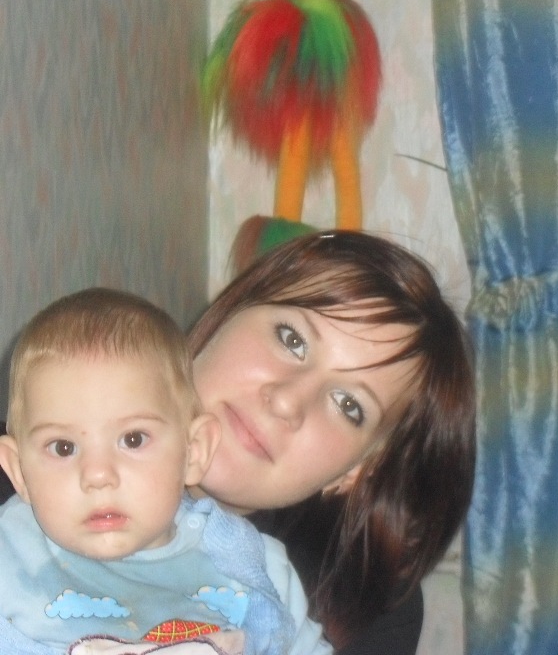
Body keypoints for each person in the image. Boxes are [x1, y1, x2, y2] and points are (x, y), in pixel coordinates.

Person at [185, 228, 477, 653]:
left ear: (356, 471)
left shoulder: (361, 616)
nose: (287, 401)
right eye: (292, 339)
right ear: (230, 312)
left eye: (348, 405)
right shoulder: (77, 432)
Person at [0, 287, 333, 655]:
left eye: (133, 439)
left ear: (194, 451)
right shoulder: (10, 557)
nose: (97, 475)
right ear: (18, 469)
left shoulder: (254, 571)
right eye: (63, 448)